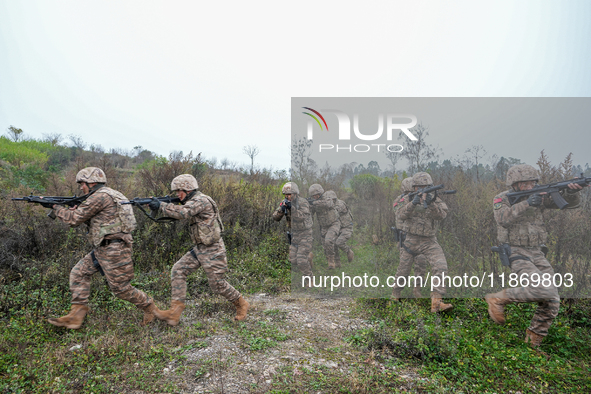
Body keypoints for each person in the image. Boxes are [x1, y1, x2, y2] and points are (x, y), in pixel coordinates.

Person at [47, 167, 161, 329]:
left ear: (92, 182)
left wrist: (56, 208)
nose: (81, 187)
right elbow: (101, 221)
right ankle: (75, 316)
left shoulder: (100, 196)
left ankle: (150, 308)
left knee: (120, 289)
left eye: (83, 184)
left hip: (113, 249)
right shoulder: (112, 194)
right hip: (105, 247)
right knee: (78, 273)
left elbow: (74, 220)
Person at [485, 164, 583, 348]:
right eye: (525, 183)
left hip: (537, 252)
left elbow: (570, 204)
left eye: (533, 182)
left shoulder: (542, 196)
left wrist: (572, 191)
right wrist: (528, 203)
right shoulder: (502, 198)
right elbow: (503, 219)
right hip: (516, 251)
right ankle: (497, 298)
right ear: (514, 184)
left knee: (552, 300)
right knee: (543, 289)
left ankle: (532, 345)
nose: (530, 187)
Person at [148, 174, 249, 325]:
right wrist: (161, 204)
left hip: (213, 249)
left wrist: (161, 206)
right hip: (200, 248)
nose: (177, 194)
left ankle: (241, 304)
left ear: (188, 189)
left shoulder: (200, 200)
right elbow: (179, 212)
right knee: (178, 270)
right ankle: (174, 313)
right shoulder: (192, 201)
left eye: (179, 191)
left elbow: (183, 213)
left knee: (217, 285)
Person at [394, 172, 453, 312]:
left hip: (429, 240)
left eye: (425, 186)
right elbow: (400, 214)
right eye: (418, 187)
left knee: (441, 266)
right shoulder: (407, 199)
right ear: (414, 188)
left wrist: (431, 203)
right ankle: (395, 295)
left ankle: (437, 302)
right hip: (410, 239)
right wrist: (412, 204)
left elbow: (442, 215)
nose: (421, 189)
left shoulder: (435, 199)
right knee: (403, 271)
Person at [392, 177, 428, 299]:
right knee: (404, 268)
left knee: (421, 264)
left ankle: (417, 289)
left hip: (420, 238)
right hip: (405, 239)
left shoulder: (422, 198)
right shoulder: (400, 200)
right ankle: (396, 292)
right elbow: (399, 215)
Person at [272, 182, 314, 284]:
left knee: (301, 260)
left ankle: (309, 279)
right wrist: (281, 210)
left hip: (305, 234)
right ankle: (309, 257)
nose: (287, 196)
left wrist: (292, 208)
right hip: (294, 235)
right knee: (293, 260)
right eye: (286, 194)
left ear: (295, 194)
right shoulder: (285, 202)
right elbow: (275, 218)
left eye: (289, 194)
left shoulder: (303, 202)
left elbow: (301, 217)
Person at [308, 184, 341, 269]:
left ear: (320, 193)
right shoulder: (314, 203)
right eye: (313, 196)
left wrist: (314, 203)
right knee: (326, 247)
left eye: (316, 195)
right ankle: (336, 261)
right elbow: (310, 215)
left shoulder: (327, 197)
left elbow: (329, 203)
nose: (315, 197)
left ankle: (331, 262)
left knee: (328, 241)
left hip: (334, 223)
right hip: (324, 227)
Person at [324, 191, 354, 267]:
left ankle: (348, 251)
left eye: (332, 200)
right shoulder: (330, 205)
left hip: (346, 227)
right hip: (338, 227)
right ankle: (337, 262)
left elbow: (335, 213)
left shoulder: (340, 204)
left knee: (339, 242)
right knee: (333, 243)